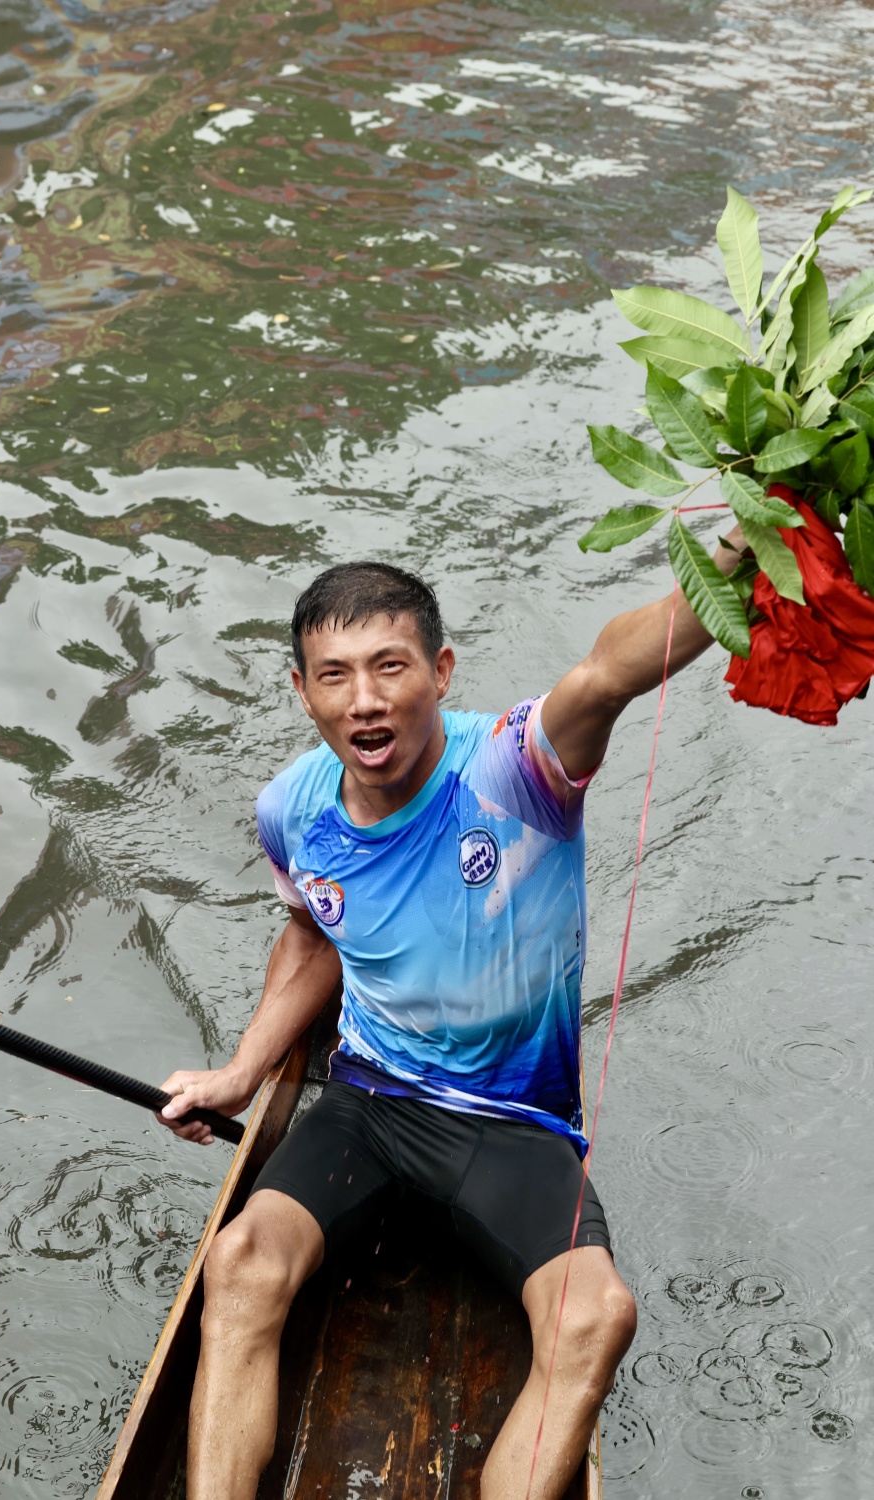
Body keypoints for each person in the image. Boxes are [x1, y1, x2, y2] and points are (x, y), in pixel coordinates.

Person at [158, 537, 744, 1500]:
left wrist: (734, 556)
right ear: (301, 692)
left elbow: (606, 673)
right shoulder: (290, 811)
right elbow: (310, 938)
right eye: (335, 677)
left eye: (391, 667)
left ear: (439, 671)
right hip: (369, 1106)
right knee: (240, 1263)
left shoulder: (514, 768)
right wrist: (240, 1074)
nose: (366, 701)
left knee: (596, 1317)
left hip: (508, 1125)